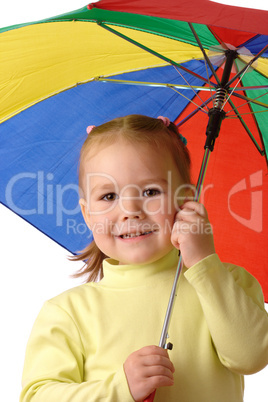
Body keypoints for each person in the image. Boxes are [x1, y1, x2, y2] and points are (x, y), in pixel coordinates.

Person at [20, 115, 268, 402]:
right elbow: (38, 396)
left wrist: (204, 263)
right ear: (87, 214)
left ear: (186, 200)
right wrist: (120, 388)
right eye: (109, 196)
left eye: (150, 191)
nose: (130, 209)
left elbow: (251, 357)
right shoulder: (70, 312)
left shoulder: (227, 283)